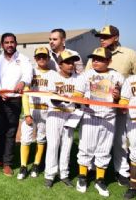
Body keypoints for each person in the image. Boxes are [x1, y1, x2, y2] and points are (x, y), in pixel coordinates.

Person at [85, 25, 136, 186]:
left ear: (116, 37)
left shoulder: (129, 54)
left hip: (122, 104)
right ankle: (93, 169)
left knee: (120, 141)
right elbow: (87, 78)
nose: (101, 39)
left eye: (106, 36)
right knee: (95, 139)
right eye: (100, 36)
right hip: (99, 105)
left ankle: (121, 171)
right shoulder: (95, 54)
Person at [75, 47, 124, 197]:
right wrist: (82, 100)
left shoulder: (117, 76)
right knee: (85, 147)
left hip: (109, 116)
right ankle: (82, 177)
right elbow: (77, 94)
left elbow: (125, 99)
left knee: (104, 149)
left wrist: (118, 97)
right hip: (91, 115)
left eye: (99, 59)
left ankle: (100, 179)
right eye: (93, 58)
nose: (95, 61)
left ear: (109, 61)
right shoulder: (86, 75)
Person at [0, 33, 33, 176]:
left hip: (14, 100)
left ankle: (8, 163)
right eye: (6, 42)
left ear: (16, 43)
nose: (9, 45)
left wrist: (23, 82)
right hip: (0, 100)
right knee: (0, 131)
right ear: (2, 45)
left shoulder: (23, 59)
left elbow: (28, 74)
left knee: (11, 132)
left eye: (12, 42)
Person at [17, 47, 56, 180]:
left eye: (44, 56)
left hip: (46, 110)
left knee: (41, 138)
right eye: (39, 56)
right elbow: (25, 95)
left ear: (48, 58)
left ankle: (36, 164)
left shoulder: (53, 74)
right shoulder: (31, 72)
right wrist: (27, 114)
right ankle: (23, 166)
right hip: (32, 109)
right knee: (26, 139)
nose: (41, 59)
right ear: (35, 58)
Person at [43, 50, 80, 188]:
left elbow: (83, 97)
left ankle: (64, 174)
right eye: (67, 62)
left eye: (73, 62)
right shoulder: (52, 77)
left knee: (67, 145)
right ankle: (50, 175)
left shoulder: (78, 78)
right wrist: (56, 99)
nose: (71, 65)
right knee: (53, 146)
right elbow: (46, 98)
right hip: (55, 114)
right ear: (60, 64)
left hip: (70, 115)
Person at [120, 75, 136, 199]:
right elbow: (124, 99)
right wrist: (122, 104)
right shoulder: (131, 80)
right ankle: (133, 187)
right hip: (134, 121)